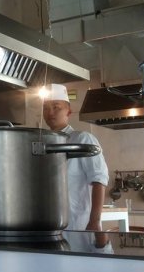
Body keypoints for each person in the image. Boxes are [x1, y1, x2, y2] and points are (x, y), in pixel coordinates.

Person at [41, 84, 109, 232]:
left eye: (56, 107)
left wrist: (95, 222)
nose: (50, 112)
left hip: (78, 224)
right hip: (47, 225)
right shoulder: (42, 143)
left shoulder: (82, 139)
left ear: (69, 111)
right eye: (45, 108)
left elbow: (99, 179)